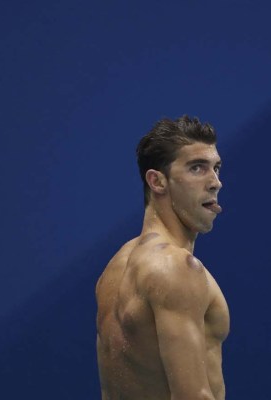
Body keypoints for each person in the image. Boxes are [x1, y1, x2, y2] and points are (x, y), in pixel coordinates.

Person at [95, 115, 230, 400]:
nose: (215, 182)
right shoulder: (176, 269)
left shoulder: (117, 265)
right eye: (197, 168)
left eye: (216, 169)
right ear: (157, 181)